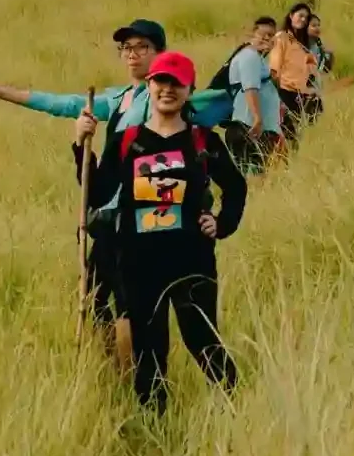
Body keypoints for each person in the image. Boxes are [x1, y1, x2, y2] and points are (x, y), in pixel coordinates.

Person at [0, 19, 231, 354]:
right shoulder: (123, 98)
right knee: (98, 297)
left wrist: (220, 220)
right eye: (126, 48)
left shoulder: (164, 103)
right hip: (111, 218)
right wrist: (0, 91)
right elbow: (65, 103)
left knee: (132, 306)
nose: (132, 55)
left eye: (142, 47)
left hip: (144, 225)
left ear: (160, 53)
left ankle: (132, 375)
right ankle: (118, 373)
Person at [74, 50, 246, 413]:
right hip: (138, 262)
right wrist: (81, 146)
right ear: (149, 85)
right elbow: (99, 192)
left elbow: (236, 187)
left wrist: (222, 223)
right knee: (148, 350)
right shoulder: (127, 140)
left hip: (192, 260)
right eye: (160, 81)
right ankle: (155, 424)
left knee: (203, 341)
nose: (167, 89)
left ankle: (238, 408)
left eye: (176, 83)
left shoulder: (203, 141)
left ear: (189, 89)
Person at [220, 17, 282, 174]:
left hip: (251, 127)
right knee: (253, 178)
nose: (267, 39)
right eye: (263, 34)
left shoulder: (256, 58)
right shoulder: (250, 57)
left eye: (271, 36)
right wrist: (257, 119)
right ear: (251, 35)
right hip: (250, 127)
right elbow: (250, 88)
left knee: (248, 176)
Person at [268, 1, 320, 146]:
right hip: (284, 91)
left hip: (302, 93)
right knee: (289, 136)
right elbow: (275, 67)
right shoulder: (282, 38)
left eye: (306, 18)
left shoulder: (301, 43)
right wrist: (276, 95)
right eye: (300, 15)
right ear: (291, 16)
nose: (303, 20)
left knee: (305, 133)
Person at [305, 13, 333, 124]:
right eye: (313, 25)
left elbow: (325, 69)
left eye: (318, 25)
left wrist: (328, 55)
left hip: (316, 90)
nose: (317, 28)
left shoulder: (318, 46)